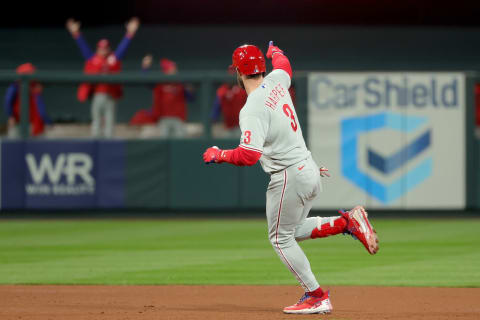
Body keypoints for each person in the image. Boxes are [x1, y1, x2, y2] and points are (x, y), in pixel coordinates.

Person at [202, 42, 379, 315]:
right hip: (308, 167)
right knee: (292, 231)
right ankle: (346, 222)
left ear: (237, 72)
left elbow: (249, 155)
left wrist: (219, 153)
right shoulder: (275, 81)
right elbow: (285, 66)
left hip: (289, 176)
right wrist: (276, 52)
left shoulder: (251, 108)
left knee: (279, 238)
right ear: (261, 67)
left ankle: (316, 295)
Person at [66, 17, 140, 138]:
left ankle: (108, 143)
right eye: (101, 48)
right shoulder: (93, 59)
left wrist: (130, 33)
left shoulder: (112, 60)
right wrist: (75, 33)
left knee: (110, 122)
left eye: (105, 48)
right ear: (97, 49)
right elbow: (83, 47)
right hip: (97, 95)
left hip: (110, 95)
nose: (103, 50)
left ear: (109, 49)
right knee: (96, 121)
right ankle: (95, 142)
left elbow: (122, 49)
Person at [140, 55, 193, 138]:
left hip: (178, 118)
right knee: (164, 142)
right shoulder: (160, 82)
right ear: (166, 70)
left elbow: (191, 98)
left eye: (174, 68)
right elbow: (145, 81)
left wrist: (189, 90)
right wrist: (145, 68)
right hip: (163, 118)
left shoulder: (180, 82)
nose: (175, 70)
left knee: (180, 141)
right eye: (172, 68)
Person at [4, 63, 51, 138]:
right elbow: (8, 101)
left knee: (31, 146)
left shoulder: (35, 87)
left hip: (33, 124)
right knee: (16, 144)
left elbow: (41, 108)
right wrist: (11, 116)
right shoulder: (15, 87)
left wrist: (47, 121)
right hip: (18, 122)